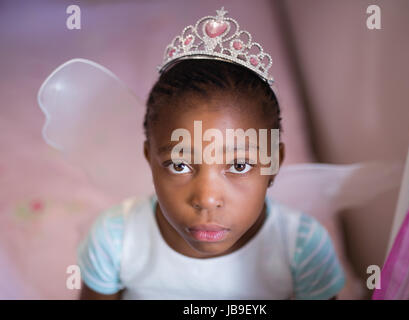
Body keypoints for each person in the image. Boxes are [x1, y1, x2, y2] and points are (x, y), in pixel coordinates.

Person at [76, 7, 346, 300]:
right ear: (149, 158)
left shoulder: (302, 247)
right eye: (179, 165)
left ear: (274, 163)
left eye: (240, 165)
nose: (206, 198)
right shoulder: (115, 239)